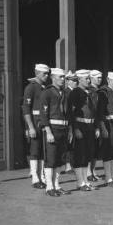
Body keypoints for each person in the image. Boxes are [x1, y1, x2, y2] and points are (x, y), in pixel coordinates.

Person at [39, 68, 72, 196]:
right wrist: (48, 131)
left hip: (63, 130)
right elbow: (43, 114)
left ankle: (57, 185)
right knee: (51, 159)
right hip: (52, 129)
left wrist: (69, 130)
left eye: (64, 77)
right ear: (53, 78)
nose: (63, 80)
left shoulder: (64, 93)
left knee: (60, 159)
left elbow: (68, 113)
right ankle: (49, 187)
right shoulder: (47, 93)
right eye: (60, 77)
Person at [68, 69, 100, 191]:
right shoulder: (75, 93)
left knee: (87, 155)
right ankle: (80, 182)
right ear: (79, 79)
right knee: (80, 155)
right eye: (86, 78)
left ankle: (85, 181)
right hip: (80, 126)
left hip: (90, 127)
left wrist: (96, 127)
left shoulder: (90, 92)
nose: (88, 80)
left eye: (89, 78)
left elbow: (94, 112)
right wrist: (75, 129)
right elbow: (71, 113)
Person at [22, 63, 50, 189]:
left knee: (43, 151)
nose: (47, 75)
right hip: (34, 122)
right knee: (34, 150)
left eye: (48, 73)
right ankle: (35, 177)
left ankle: (42, 176)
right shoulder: (30, 88)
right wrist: (30, 127)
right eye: (44, 73)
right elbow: (26, 109)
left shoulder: (45, 87)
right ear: (37, 73)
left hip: (44, 122)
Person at [87, 69, 102, 182]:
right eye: (98, 78)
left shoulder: (99, 90)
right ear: (91, 78)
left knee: (96, 149)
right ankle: (88, 172)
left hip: (98, 122)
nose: (100, 80)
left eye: (101, 77)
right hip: (91, 123)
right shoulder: (89, 91)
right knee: (90, 148)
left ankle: (93, 170)